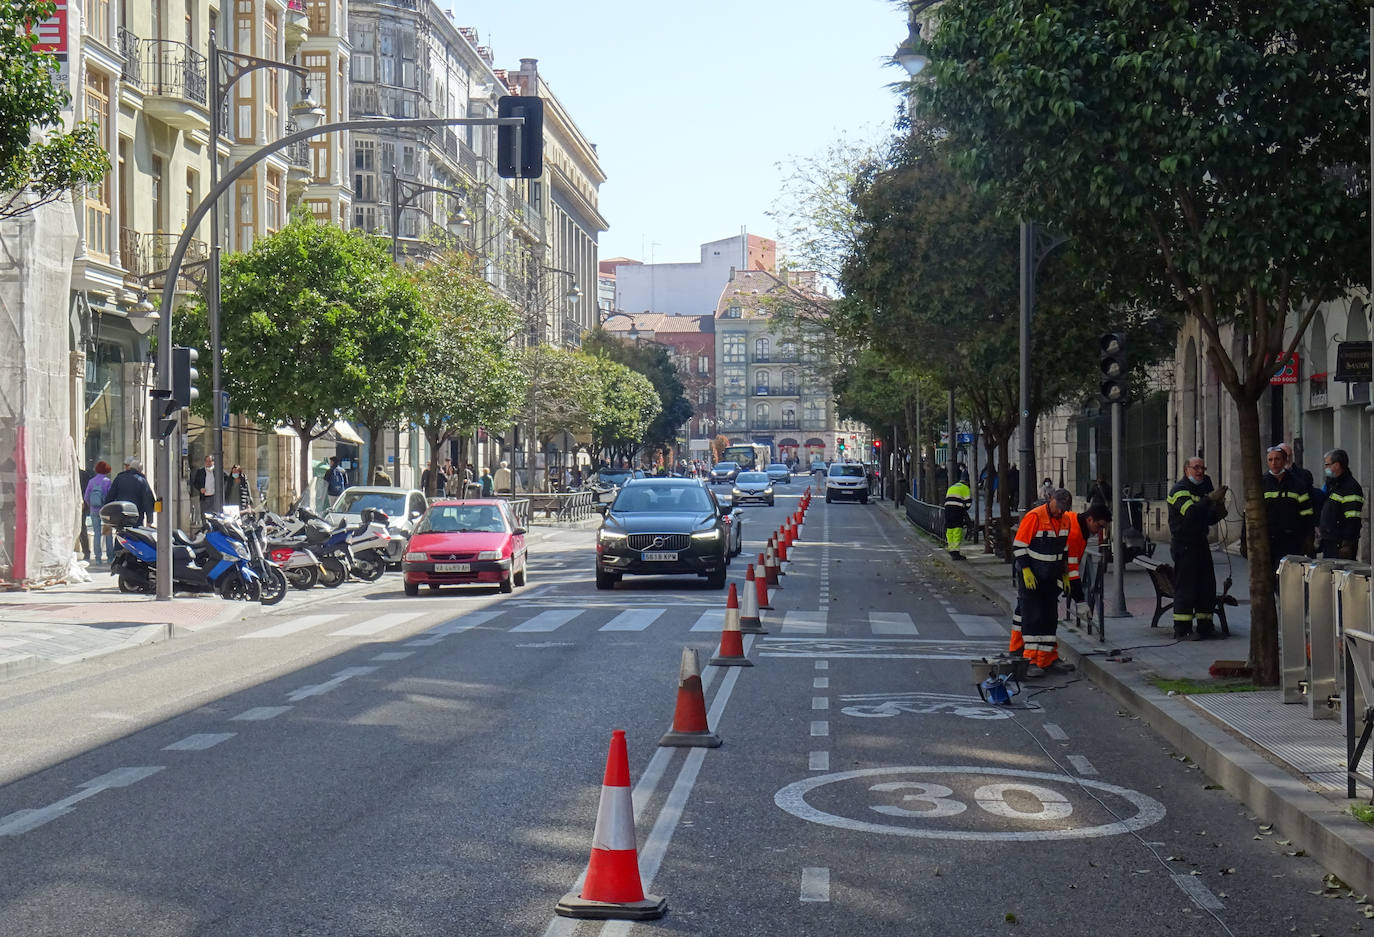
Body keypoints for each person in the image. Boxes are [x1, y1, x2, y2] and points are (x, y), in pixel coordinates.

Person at [1008, 488, 1077, 676]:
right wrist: (1026, 570)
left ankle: (1047, 659)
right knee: (1032, 617)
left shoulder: (1065, 520)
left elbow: (1064, 551)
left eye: (1064, 508)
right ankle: (1028, 659)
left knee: (1049, 617)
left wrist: (1064, 574)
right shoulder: (1034, 517)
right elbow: (1019, 546)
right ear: (1051, 499)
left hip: (1051, 577)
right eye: (1058, 507)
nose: (1060, 511)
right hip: (1032, 578)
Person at [1167, 456, 1228, 640]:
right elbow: (1192, 513)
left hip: (1200, 542)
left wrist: (1218, 510)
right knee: (1186, 587)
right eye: (1196, 468)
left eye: (1203, 467)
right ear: (1187, 470)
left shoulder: (1202, 488)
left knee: (1206, 586)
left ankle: (1205, 626)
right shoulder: (1179, 490)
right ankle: (1182, 629)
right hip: (1184, 544)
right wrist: (1209, 499)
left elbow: (1207, 517)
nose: (1200, 471)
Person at [1263, 444, 1314, 569]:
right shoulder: (1261, 483)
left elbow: (1307, 513)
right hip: (1267, 540)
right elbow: (1248, 513)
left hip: (1292, 541)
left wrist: (1308, 538)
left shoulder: (1297, 484)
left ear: (1285, 461)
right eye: (1270, 460)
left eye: (1277, 459)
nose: (1274, 463)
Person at [1318, 448, 1364, 560]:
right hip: (1330, 541)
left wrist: (1347, 544)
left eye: (1327, 464)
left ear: (1337, 465)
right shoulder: (1334, 485)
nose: (1326, 468)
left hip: (1340, 544)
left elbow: (1352, 519)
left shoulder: (1350, 487)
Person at [106, 456, 156, 527]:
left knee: (121, 534)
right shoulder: (141, 481)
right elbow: (148, 501)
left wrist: (108, 515)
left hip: (121, 516)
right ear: (140, 470)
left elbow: (110, 497)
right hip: (136, 517)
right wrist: (149, 521)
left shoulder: (119, 478)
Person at [84, 461, 113, 564]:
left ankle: (97, 558)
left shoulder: (91, 481)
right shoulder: (107, 481)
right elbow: (110, 496)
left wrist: (91, 505)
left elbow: (86, 496)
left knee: (97, 534)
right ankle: (110, 557)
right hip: (106, 511)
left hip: (94, 510)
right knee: (108, 533)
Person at [943, 472, 973, 561]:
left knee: (950, 529)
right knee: (957, 530)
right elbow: (968, 503)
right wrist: (964, 510)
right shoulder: (965, 488)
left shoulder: (952, 487)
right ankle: (955, 552)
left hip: (947, 510)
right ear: (967, 481)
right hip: (957, 511)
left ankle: (951, 549)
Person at [77, 464, 93, 561]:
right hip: (79, 504)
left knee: (82, 529)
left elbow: (87, 491)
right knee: (81, 529)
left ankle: (86, 552)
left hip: (80, 505)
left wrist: (83, 502)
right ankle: (86, 552)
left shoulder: (83, 475)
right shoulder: (83, 474)